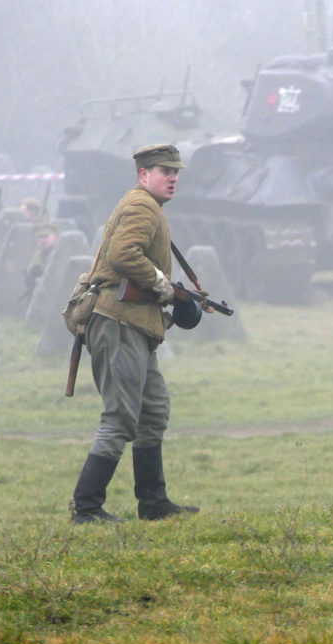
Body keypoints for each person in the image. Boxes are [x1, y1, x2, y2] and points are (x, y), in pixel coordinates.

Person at [69, 143, 199, 524]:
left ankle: (153, 503)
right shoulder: (142, 204)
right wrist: (162, 283)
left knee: (153, 410)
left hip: (136, 325)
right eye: (164, 171)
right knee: (120, 418)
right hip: (119, 322)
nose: (173, 177)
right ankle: (86, 507)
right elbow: (123, 255)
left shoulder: (148, 206)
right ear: (144, 175)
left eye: (176, 172)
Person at [21, 196, 57, 295]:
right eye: (39, 237)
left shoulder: (59, 256)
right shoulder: (35, 257)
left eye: (45, 236)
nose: (42, 240)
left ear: (54, 237)